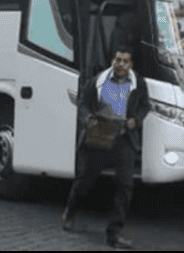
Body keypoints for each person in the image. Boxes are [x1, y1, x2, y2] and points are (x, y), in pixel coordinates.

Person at [60, 43, 151, 249]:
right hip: (99, 138)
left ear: (131, 64)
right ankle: (70, 212)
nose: (120, 64)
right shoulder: (99, 81)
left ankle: (114, 233)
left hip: (124, 140)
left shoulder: (139, 83)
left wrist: (135, 120)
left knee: (125, 185)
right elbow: (83, 103)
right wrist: (88, 118)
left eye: (125, 61)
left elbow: (146, 105)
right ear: (113, 61)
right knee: (84, 181)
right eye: (117, 60)